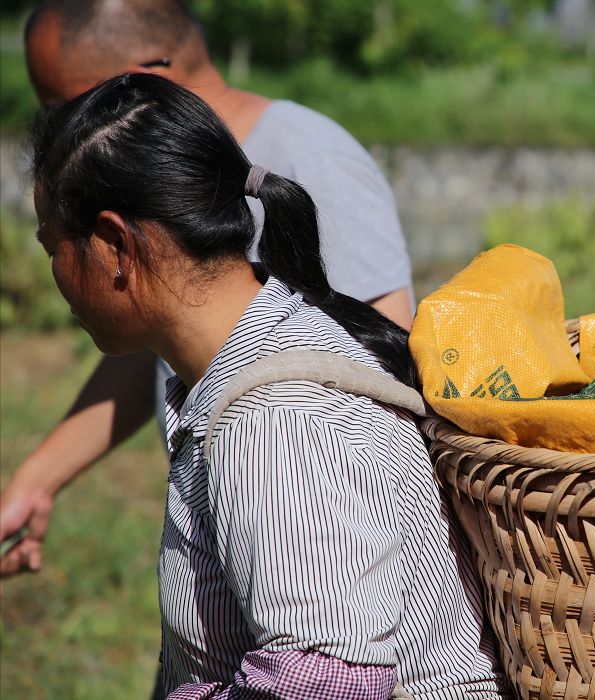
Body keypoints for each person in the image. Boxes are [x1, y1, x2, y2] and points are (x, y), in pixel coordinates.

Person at [26, 71, 506, 698]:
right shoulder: (264, 358)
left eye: (52, 246)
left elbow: (323, 679)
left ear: (115, 244)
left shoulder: (276, 423)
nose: (55, 275)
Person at [1, 0, 413, 579]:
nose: (59, 133)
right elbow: (155, 326)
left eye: (75, 107)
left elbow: (378, 365)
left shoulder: (312, 158)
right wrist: (38, 480)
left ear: (152, 75)